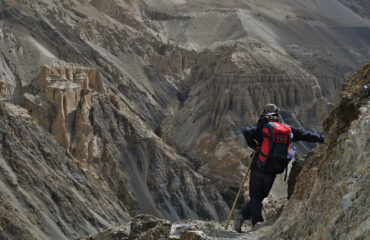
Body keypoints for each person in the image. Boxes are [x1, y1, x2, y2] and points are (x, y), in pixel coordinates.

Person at [233, 103, 324, 232]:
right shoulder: (286, 129)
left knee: (255, 198)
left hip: (258, 166)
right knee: (259, 197)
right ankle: (247, 218)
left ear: (264, 113)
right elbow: (304, 134)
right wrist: (321, 138)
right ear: (277, 114)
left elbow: (247, 131)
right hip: (273, 169)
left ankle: (253, 223)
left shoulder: (262, 127)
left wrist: (255, 146)